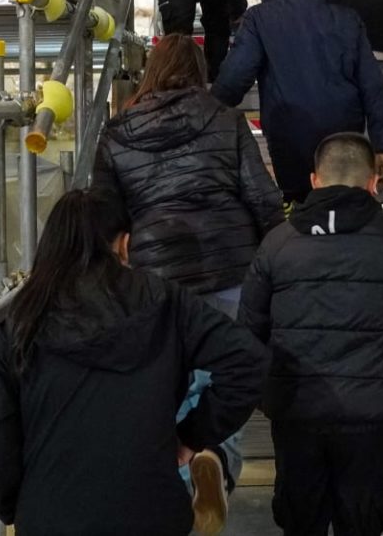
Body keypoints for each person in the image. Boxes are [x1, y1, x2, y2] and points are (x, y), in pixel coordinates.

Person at [0, 188, 268, 536]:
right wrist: (192, 436)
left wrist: (20, 505)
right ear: (124, 244)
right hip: (152, 515)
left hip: (51, 518)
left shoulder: (19, 320)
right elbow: (248, 362)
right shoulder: (165, 301)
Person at [94, 35, 284, 498]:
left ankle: (176, 481)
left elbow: (104, 214)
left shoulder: (117, 132)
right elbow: (261, 197)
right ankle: (214, 458)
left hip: (155, 276)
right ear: (200, 73)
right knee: (226, 372)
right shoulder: (225, 118)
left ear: (151, 71)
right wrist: (278, 254)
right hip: (231, 266)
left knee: (167, 377)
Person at [239, 133, 383, 536]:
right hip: (369, 411)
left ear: (314, 180)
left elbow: (250, 329)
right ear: (374, 182)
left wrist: (260, 392)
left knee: (300, 519)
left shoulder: (277, 243)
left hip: (296, 408)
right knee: (362, 519)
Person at [212, 0, 383, 204]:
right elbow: (374, 87)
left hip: (288, 133)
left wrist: (207, 113)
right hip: (342, 134)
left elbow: (234, 80)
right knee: (345, 201)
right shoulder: (346, 19)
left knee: (299, 203)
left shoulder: (260, 19)